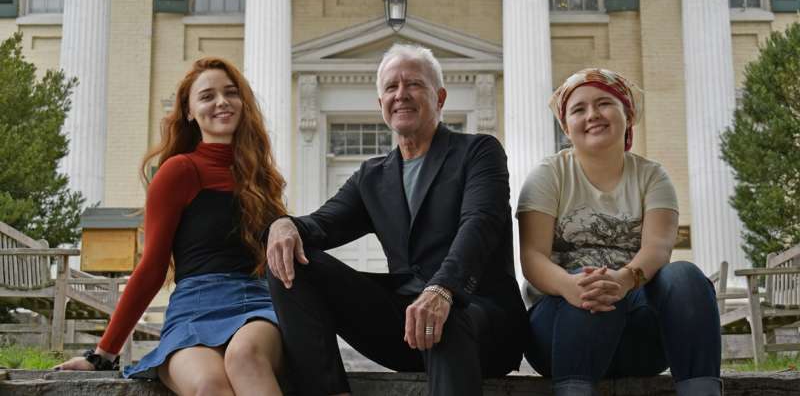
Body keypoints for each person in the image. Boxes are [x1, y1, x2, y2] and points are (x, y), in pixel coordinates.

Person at [266, 44, 527, 396]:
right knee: (288, 261)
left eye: (414, 84)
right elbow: (322, 225)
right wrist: (283, 225)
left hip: (483, 322)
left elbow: (480, 224)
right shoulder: (373, 177)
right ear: (381, 104)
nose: (401, 94)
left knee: (445, 319)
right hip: (406, 328)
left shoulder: (478, 152)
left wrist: (443, 289)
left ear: (440, 98)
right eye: (391, 87)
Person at [56, 57, 287, 396]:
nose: (221, 102)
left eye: (231, 93)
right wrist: (104, 353)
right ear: (190, 111)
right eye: (207, 96)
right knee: (208, 385)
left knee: (245, 356)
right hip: (193, 310)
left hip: (256, 306)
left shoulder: (262, 178)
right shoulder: (179, 171)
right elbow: (152, 268)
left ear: (243, 103)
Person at [517, 68, 721, 396]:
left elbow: (657, 249)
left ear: (627, 113)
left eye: (604, 103)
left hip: (638, 332)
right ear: (566, 127)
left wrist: (623, 281)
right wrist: (571, 286)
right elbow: (532, 257)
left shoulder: (652, 176)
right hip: (558, 332)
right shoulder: (548, 174)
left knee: (685, 276)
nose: (592, 115)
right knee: (590, 286)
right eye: (579, 109)